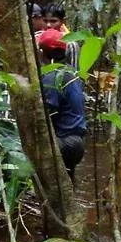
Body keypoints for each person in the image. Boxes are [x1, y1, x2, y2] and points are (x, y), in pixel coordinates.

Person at [36, 28, 87, 180]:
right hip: (76, 142)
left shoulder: (53, 76)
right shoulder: (71, 73)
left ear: (41, 52)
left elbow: (48, 112)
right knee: (67, 184)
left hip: (64, 142)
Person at [41, 2, 80, 69]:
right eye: (45, 21)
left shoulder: (71, 44)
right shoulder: (35, 41)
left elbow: (75, 70)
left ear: (62, 21)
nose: (48, 25)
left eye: (53, 21)